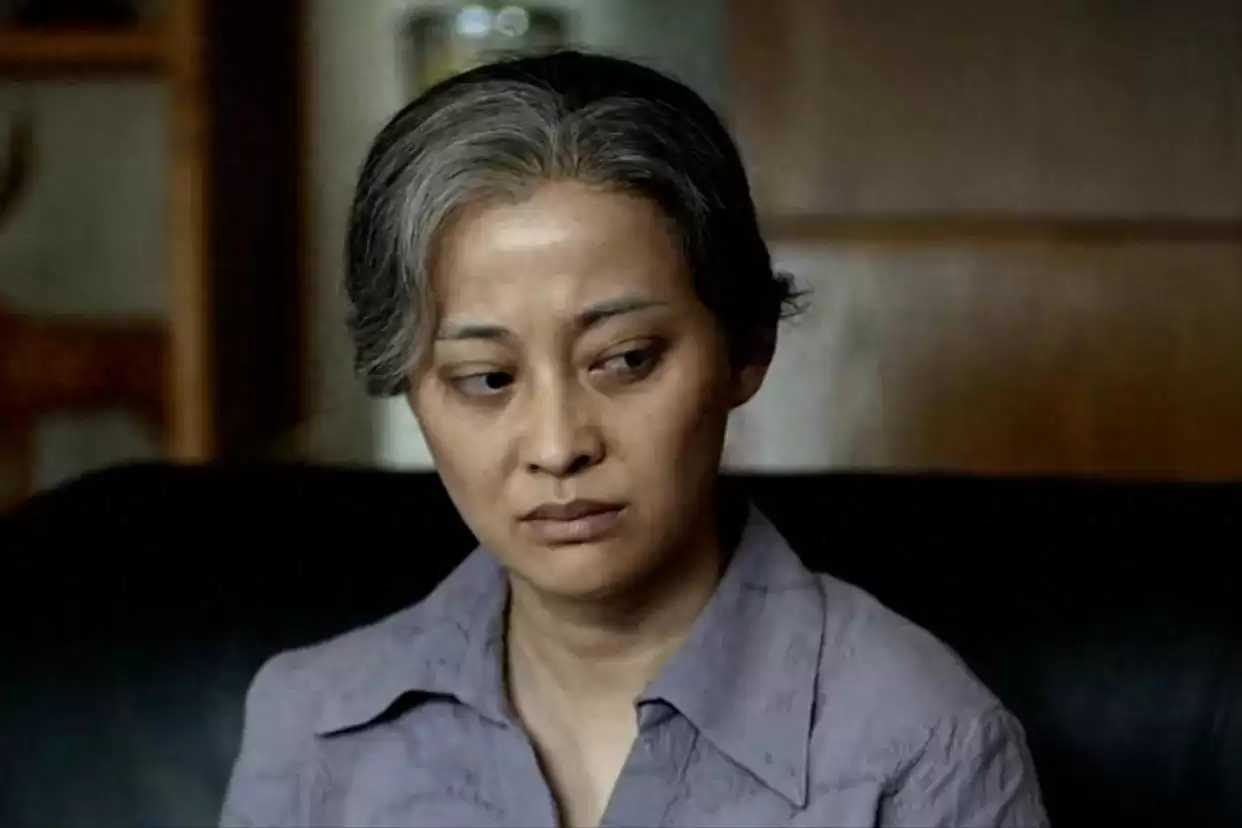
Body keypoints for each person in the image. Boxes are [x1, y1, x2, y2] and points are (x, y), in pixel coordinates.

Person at [219, 50, 1048, 828]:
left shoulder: (920, 745)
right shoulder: (314, 728)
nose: (558, 446)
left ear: (745, 349)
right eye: (487, 379)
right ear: (411, 389)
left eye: (625, 360)